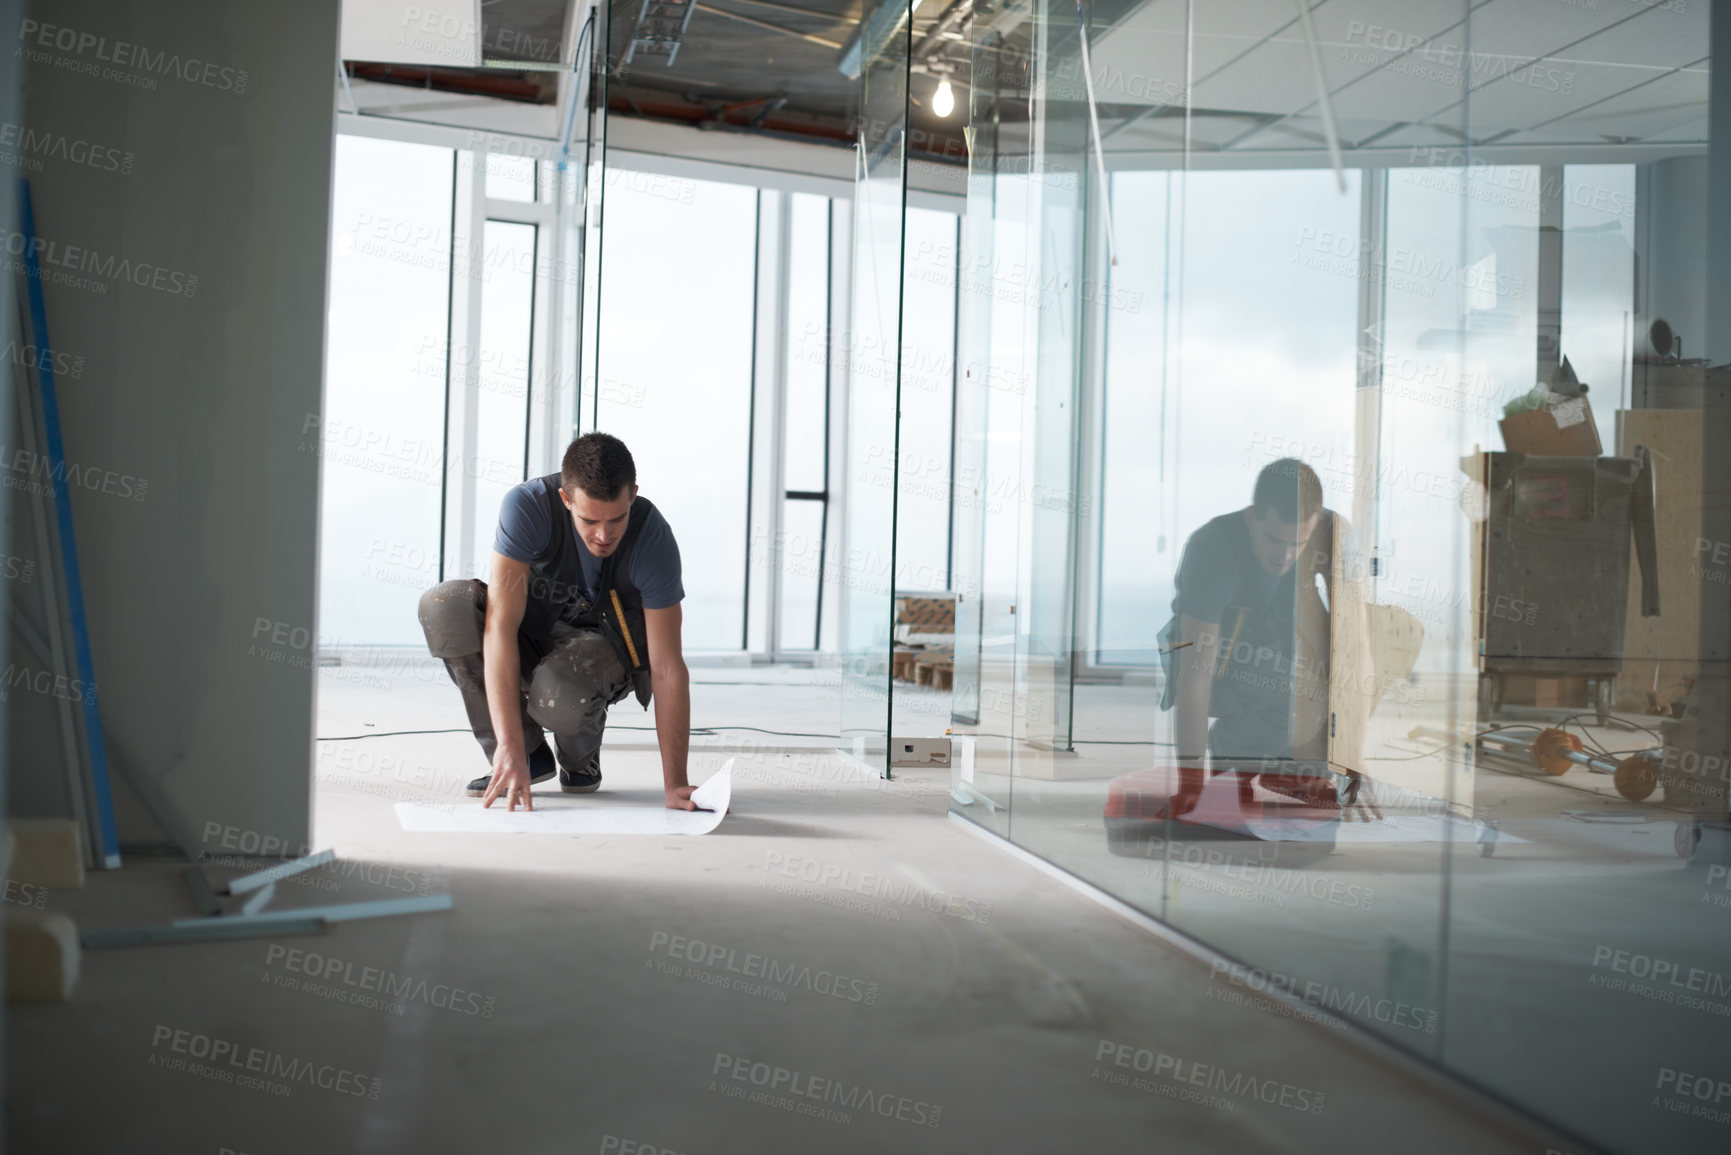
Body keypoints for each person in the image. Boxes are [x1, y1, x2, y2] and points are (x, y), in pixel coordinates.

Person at [417, 432, 700, 811]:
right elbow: (499, 627)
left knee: (560, 687)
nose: (603, 535)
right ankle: (525, 756)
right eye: (589, 520)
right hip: (534, 635)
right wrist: (509, 743)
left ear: (633, 494)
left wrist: (675, 784)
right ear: (566, 500)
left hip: (602, 651)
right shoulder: (527, 507)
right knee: (443, 606)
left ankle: (580, 758)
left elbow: (667, 668)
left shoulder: (653, 538)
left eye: (616, 519)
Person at [1163, 457, 1375, 820]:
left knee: (1338, 668)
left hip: (1285, 634)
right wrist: (1191, 786)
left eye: (1299, 544)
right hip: (1223, 652)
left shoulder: (1337, 535)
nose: (1285, 555)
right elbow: (1195, 678)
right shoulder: (1210, 549)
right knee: (1281, 682)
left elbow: (1357, 648)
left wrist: (1351, 757)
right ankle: (1235, 756)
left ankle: (1288, 769)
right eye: (1274, 540)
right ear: (1251, 517)